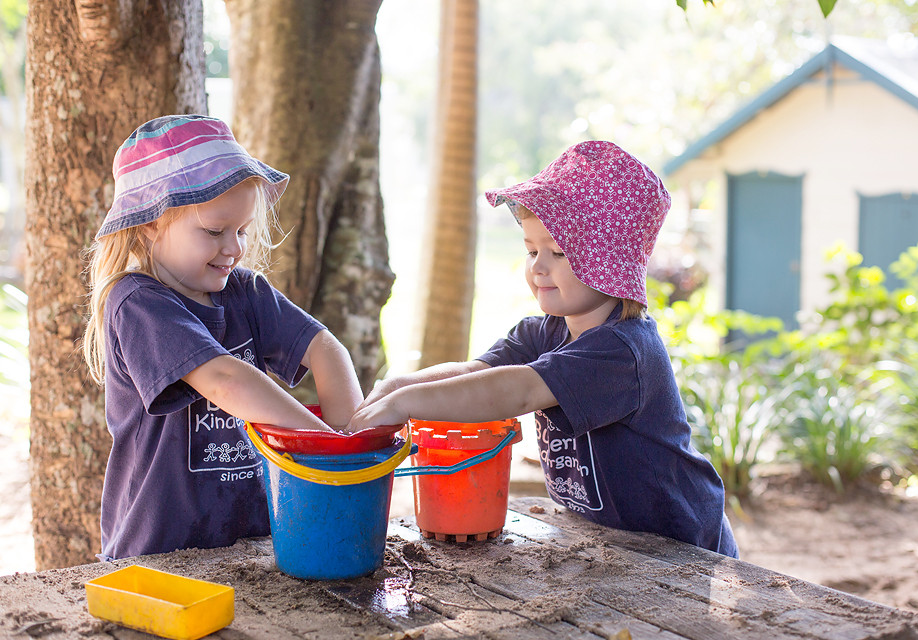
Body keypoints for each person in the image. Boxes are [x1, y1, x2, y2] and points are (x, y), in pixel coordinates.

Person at [350, 141, 738, 557]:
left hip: (683, 548)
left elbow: (515, 391)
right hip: (616, 544)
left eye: (558, 252)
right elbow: (473, 374)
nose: (538, 267)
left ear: (608, 263)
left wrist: (406, 405)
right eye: (531, 250)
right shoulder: (542, 333)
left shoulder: (622, 351)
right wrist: (396, 387)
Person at [82, 115, 364, 560]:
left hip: (252, 545)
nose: (234, 248)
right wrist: (323, 450)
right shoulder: (135, 302)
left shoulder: (244, 292)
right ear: (151, 223)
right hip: (160, 554)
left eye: (242, 231)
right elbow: (225, 380)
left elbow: (327, 350)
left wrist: (351, 447)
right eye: (215, 232)